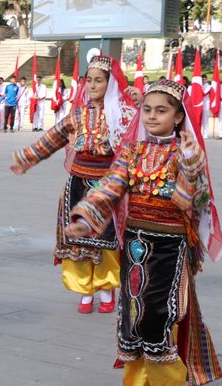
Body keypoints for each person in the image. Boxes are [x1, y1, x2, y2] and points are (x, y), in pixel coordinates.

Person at [66, 79, 222, 386]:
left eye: (161, 111)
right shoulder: (132, 150)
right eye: (148, 110)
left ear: (179, 116)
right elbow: (110, 187)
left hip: (170, 245)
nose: (152, 116)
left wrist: (191, 168)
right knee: (131, 314)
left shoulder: (185, 153)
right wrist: (85, 216)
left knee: (159, 314)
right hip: (135, 241)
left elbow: (184, 202)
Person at [11, 55, 140, 313]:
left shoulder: (124, 114)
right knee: (78, 240)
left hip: (107, 186)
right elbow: (53, 138)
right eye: (88, 80)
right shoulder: (78, 114)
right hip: (77, 183)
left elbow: (144, 131)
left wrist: (141, 102)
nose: (92, 86)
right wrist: (27, 158)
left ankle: (106, 291)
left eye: (99, 80)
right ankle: (84, 292)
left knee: (106, 239)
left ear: (110, 83)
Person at [201, 74, 212, 139]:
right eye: (202, 79)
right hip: (200, 104)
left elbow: (204, 93)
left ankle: (206, 133)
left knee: (205, 120)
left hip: (206, 104)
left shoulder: (209, 86)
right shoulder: (200, 86)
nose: (203, 80)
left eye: (204, 79)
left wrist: (199, 88)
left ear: (207, 79)